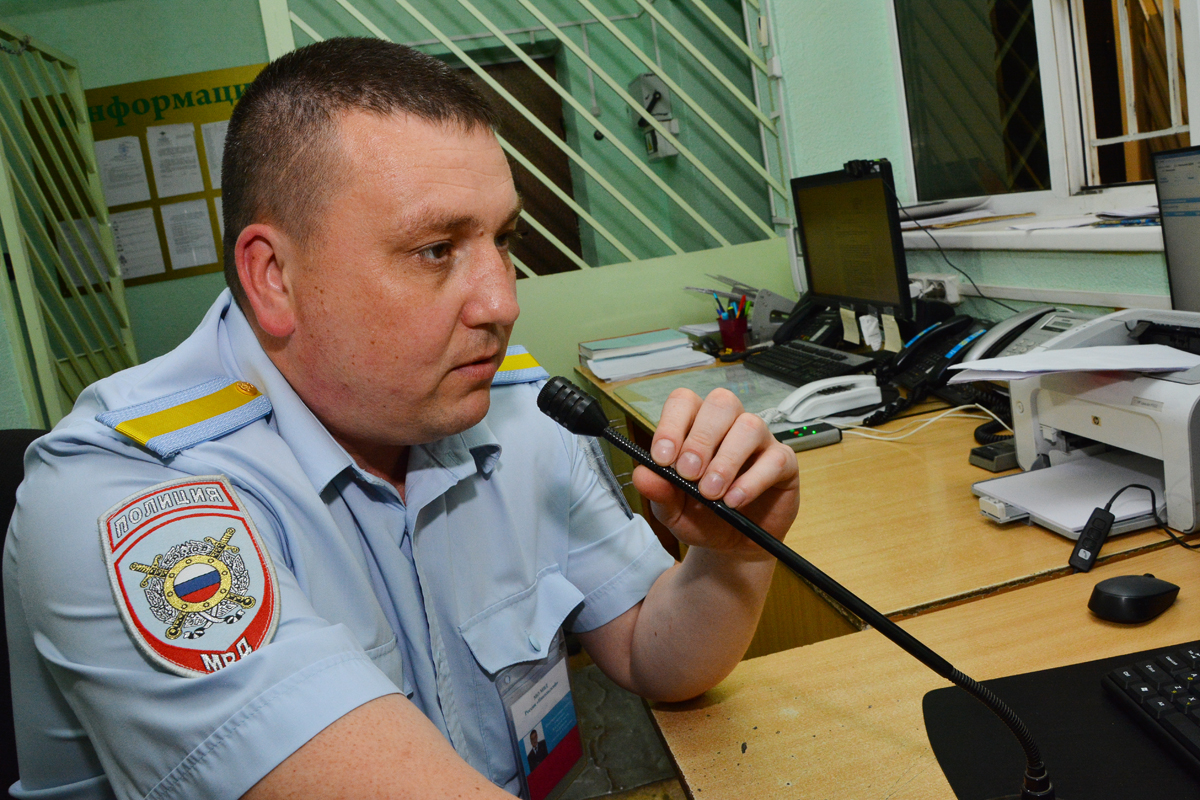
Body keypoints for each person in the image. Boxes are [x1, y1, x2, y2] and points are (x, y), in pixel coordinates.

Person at [4, 37, 799, 800]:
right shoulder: (127, 498)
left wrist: (732, 557)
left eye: (503, 240)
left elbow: (652, 654)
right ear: (274, 275)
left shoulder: (518, 413)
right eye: (435, 250)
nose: (503, 302)